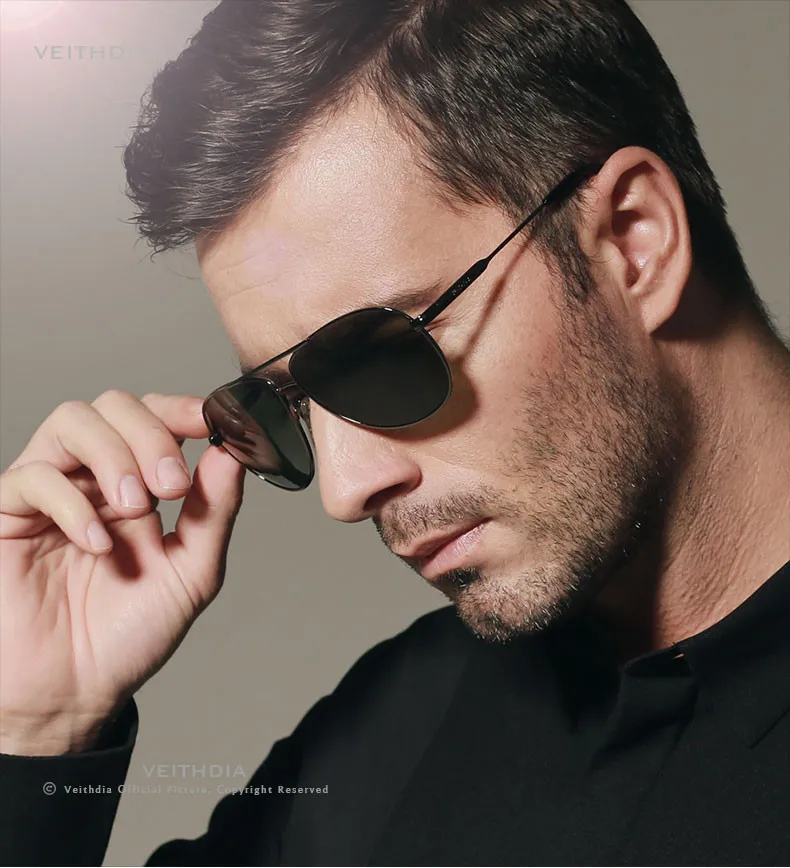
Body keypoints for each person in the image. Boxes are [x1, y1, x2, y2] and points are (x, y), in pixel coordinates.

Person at [1, 0, 788, 864]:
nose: (345, 491)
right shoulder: (395, 735)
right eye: (288, 404)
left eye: (382, 357)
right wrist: (37, 728)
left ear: (634, 242)